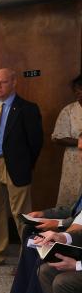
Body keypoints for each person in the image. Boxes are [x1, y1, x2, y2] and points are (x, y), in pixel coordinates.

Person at [0, 68, 43, 266]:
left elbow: (36, 142)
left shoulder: (27, 108)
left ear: (13, 83)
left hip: (16, 167)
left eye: (2, 82)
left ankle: (27, 261)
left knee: (22, 214)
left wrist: (26, 165)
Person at [52, 75, 82, 206]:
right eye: (76, 92)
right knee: (72, 203)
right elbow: (57, 137)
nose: (78, 95)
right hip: (73, 164)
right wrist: (79, 141)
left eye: (81, 91)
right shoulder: (69, 110)